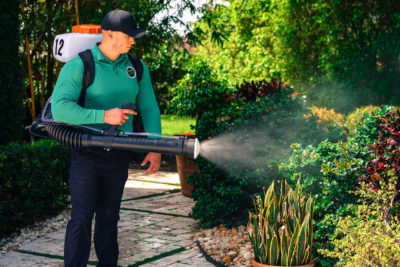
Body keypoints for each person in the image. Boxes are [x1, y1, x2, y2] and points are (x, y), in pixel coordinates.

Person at [51, 9, 161, 267]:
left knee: (110, 217)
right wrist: (104, 116)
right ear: (108, 34)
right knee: (81, 218)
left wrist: (155, 148)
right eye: (128, 36)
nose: (133, 40)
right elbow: (60, 108)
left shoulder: (136, 67)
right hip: (87, 153)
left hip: (120, 152)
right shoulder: (80, 65)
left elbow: (149, 109)